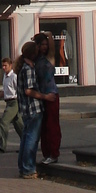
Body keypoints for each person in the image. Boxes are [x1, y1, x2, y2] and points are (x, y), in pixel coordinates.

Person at [15, 42, 52, 178]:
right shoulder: (28, 69)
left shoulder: (23, 67)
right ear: (33, 53)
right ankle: (28, 168)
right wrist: (45, 97)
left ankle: (23, 167)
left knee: (25, 138)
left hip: (25, 109)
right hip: (33, 108)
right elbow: (29, 91)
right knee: (31, 139)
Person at [33, 32, 61, 164]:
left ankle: (54, 153)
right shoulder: (35, 60)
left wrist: (48, 35)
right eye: (41, 44)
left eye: (46, 44)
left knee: (52, 125)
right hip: (41, 96)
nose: (45, 47)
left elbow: (52, 46)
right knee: (43, 127)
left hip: (52, 95)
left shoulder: (49, 58)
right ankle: (46, 153)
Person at [0, 57, 23, 153]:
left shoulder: (14, 76)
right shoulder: (5, 76)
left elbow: (19, 90)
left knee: (4, 122)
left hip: (14, 102)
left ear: (10, 65)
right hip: (8, 102)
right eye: (2, 65)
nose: (3, 67)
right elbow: (5, 91)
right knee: (18, 125)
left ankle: (2, 146)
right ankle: (28, 144)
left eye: (5, 65)